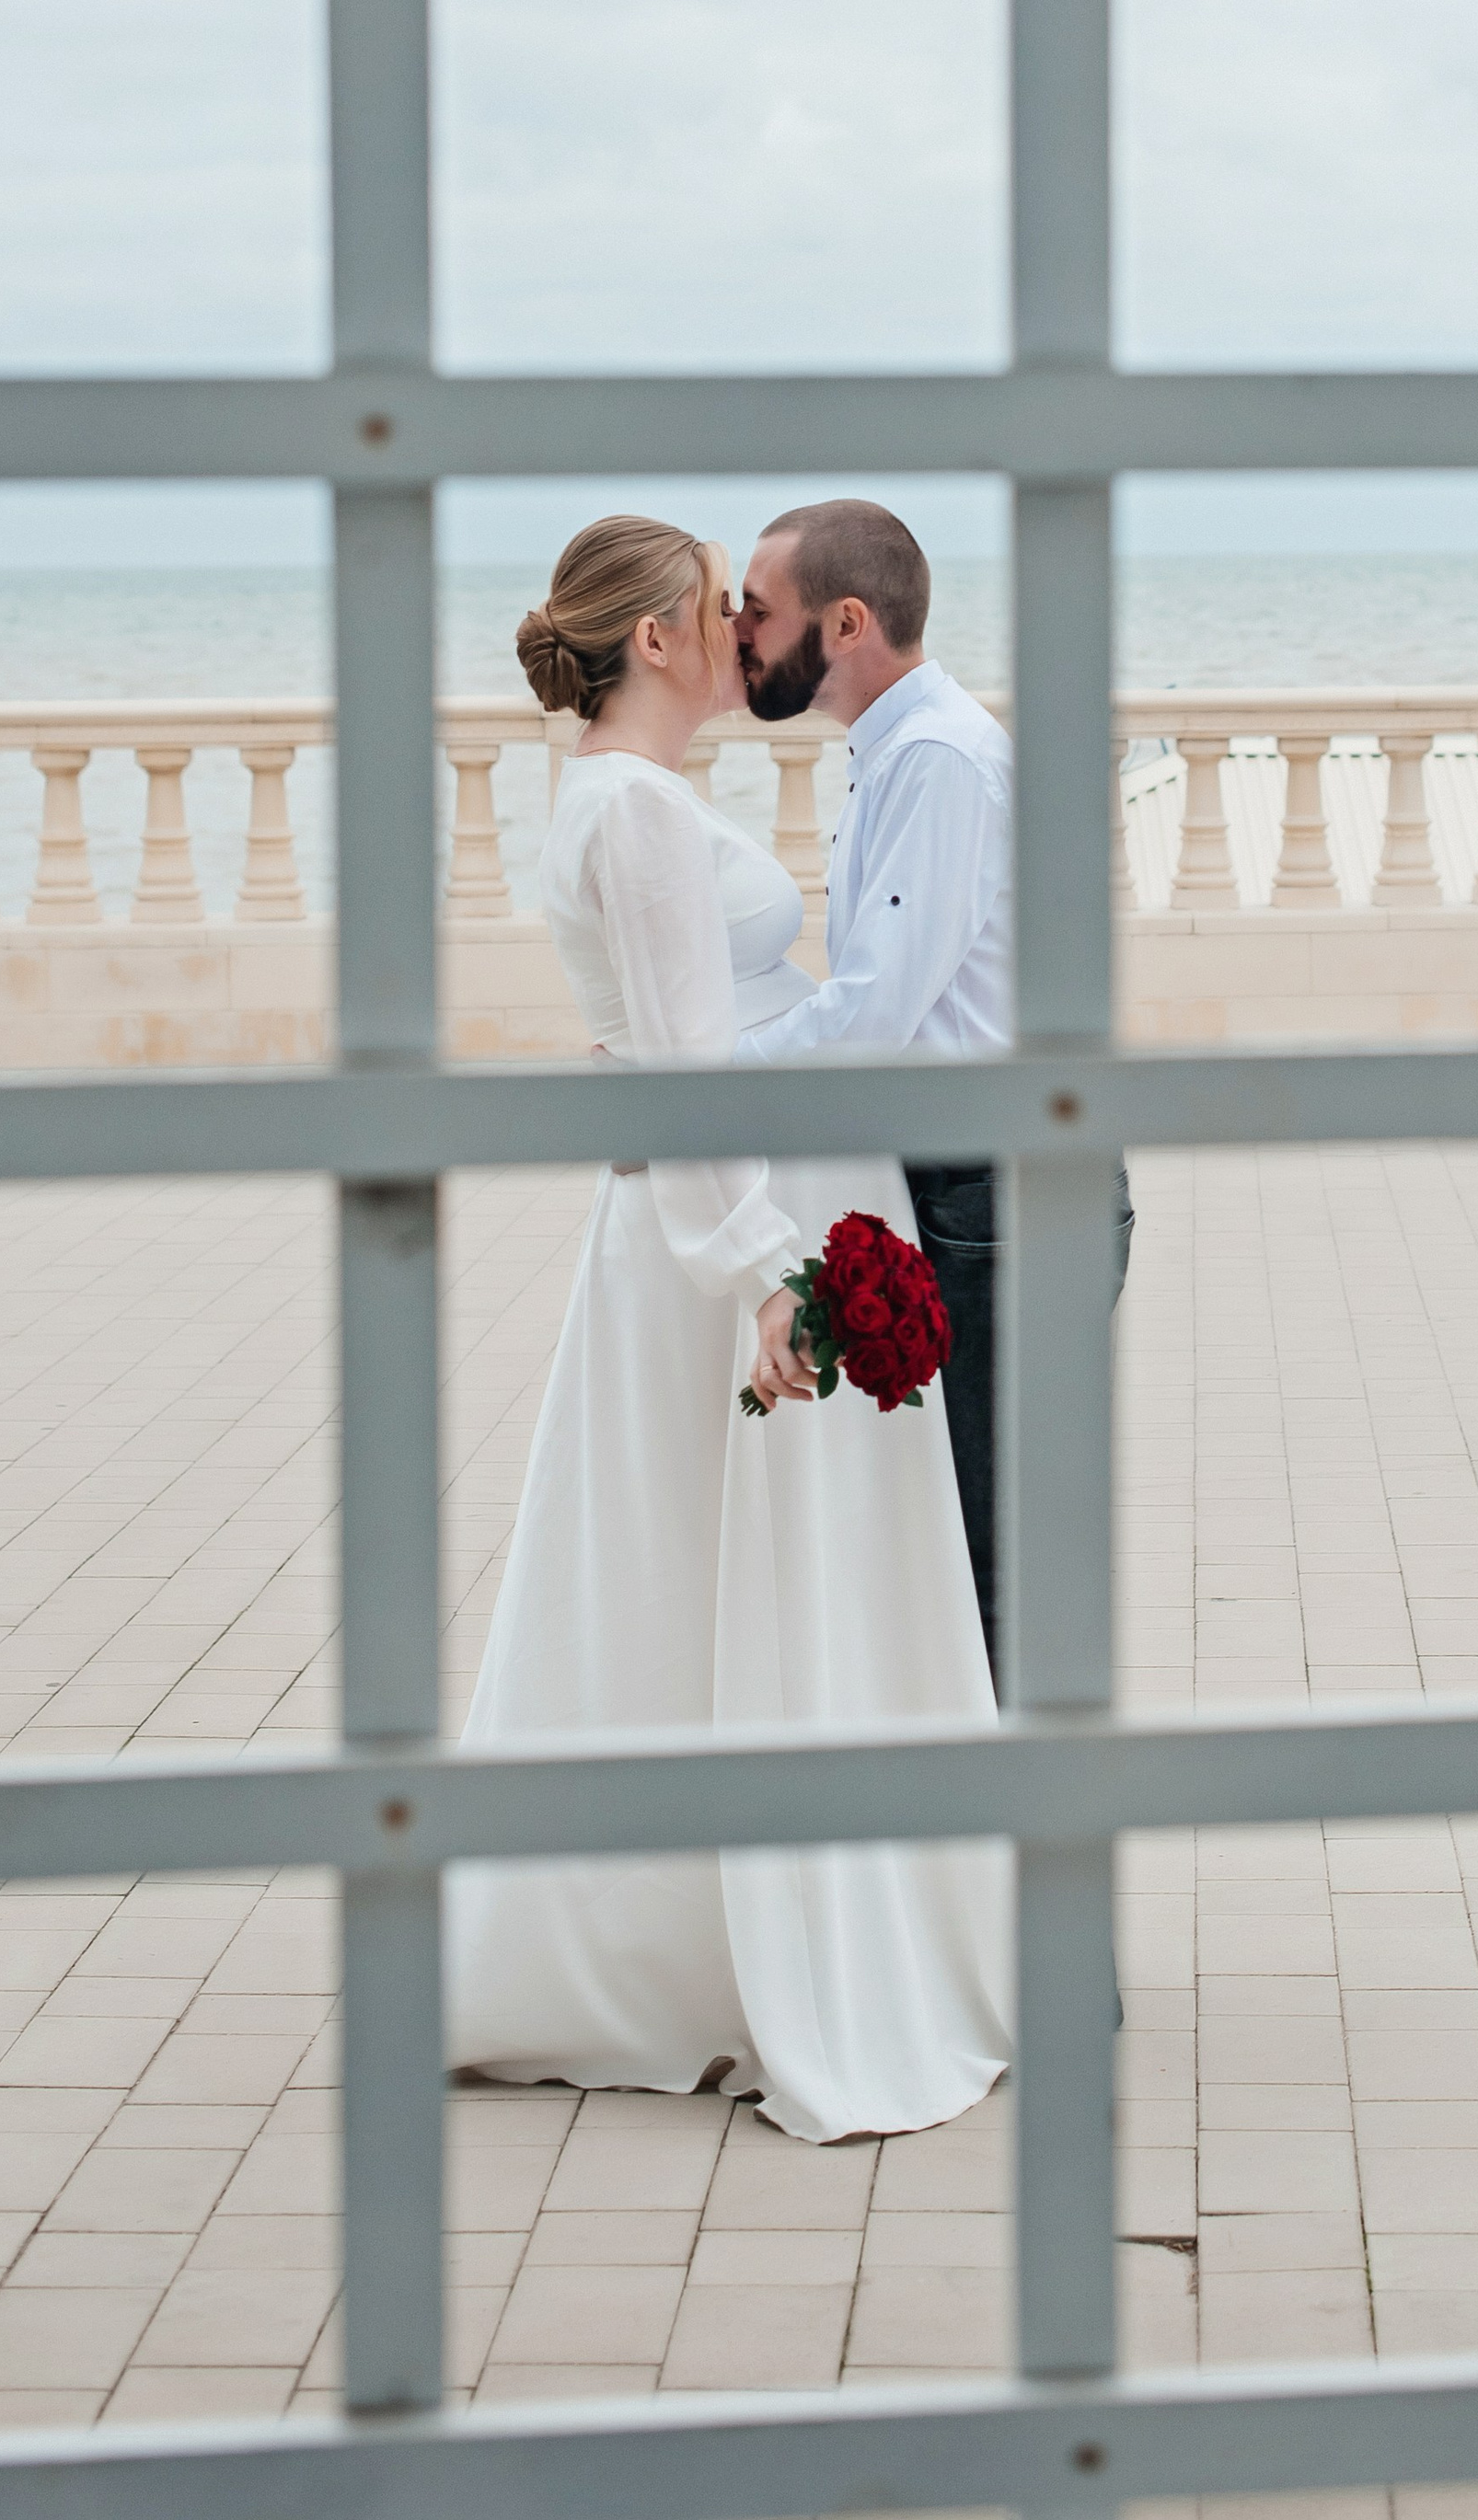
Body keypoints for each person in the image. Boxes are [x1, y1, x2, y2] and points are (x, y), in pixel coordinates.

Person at [445, 515, 1008, 2145]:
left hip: (765, 1193)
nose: (740, 632)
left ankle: (780, 1923)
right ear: (659, 639)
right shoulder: (632, 808)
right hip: (743, 1220)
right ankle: (784, 1948)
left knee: (742, 1578)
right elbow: (689, 1073)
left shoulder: (639, 796)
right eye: (719, 607)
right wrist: (765, 1272)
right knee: (761, 1579)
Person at [734, 499, 1132, 1680]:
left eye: (759, 610)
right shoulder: (905, 751)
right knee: (967, 1548)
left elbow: (873, 1011)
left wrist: (694, 1083)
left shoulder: (936, 761)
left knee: (986, 1556)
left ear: (847, 621)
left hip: (998, 1198)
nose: (739, 631)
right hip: (984, 1189)